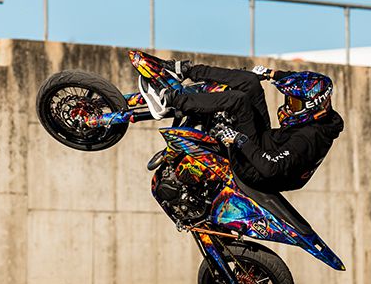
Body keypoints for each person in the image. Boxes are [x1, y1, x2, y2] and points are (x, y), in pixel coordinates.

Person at [138, 61, 344, 192]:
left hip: (256, 169)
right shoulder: (325, 117)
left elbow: (272, 168)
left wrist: (239, 139)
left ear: (313, 106)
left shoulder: (308, 139)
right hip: (265, 144)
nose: (289, 107)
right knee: (250, 81)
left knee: (238, 101)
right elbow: (299, 81)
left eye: (295, 104)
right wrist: (272, 74)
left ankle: (170, 101)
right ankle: (186, 70)